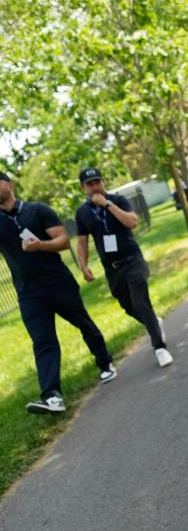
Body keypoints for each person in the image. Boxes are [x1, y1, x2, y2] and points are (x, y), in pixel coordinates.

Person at [0, 171, 116, 414]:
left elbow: (63, 241)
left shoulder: (37, 210)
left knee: (84, 324)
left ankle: (105, 362)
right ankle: (52, 396)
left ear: (9, 185)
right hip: (28, 293)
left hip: (58, 283)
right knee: (43, 342)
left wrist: (40, 245)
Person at [75, 167, 173, 368]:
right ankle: (153, 322)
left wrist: (107, 204)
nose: (95, 187)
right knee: (128, 306)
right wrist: (83, 265)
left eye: (97, 182)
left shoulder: (117, 200)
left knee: (141, 302)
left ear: (103, 182)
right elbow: (83, 241)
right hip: (112, 268)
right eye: (90, 184)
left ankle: (159, 347)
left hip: (132, 260)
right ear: (83, 188)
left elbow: (132, 222)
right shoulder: (82, 212)